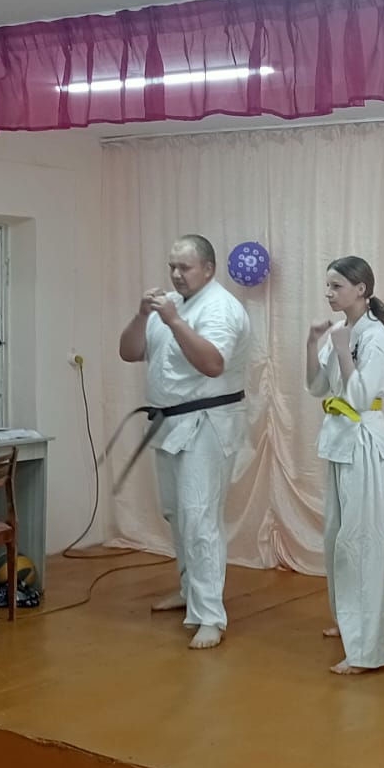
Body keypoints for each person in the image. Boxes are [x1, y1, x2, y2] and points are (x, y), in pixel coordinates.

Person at [118, 235, 251, 650]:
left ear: (208, 269)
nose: (176, 274)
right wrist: (143, 315)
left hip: (208, 422)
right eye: (172, 266)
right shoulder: (168, 305)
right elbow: (129, 352)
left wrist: (175, 321)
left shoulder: (221, 307)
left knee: (200, 517)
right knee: (177, 513)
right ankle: (190, 591)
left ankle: (210, 615)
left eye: (185, 267)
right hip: (169, 422)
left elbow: (212, 364)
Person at [305, 256, 384, 675]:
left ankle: (366, 651)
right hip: (340, 441)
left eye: (336, 286)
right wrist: (314, 345)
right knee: (336, 540)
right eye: (327, 285)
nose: (329, 293)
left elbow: (360, 397)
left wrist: (343, 351)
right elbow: (316, 387)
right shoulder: (342, 330)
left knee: (362, 545)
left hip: (364, 442)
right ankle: (348, 622)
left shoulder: (375, 336)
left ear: (361, 289)